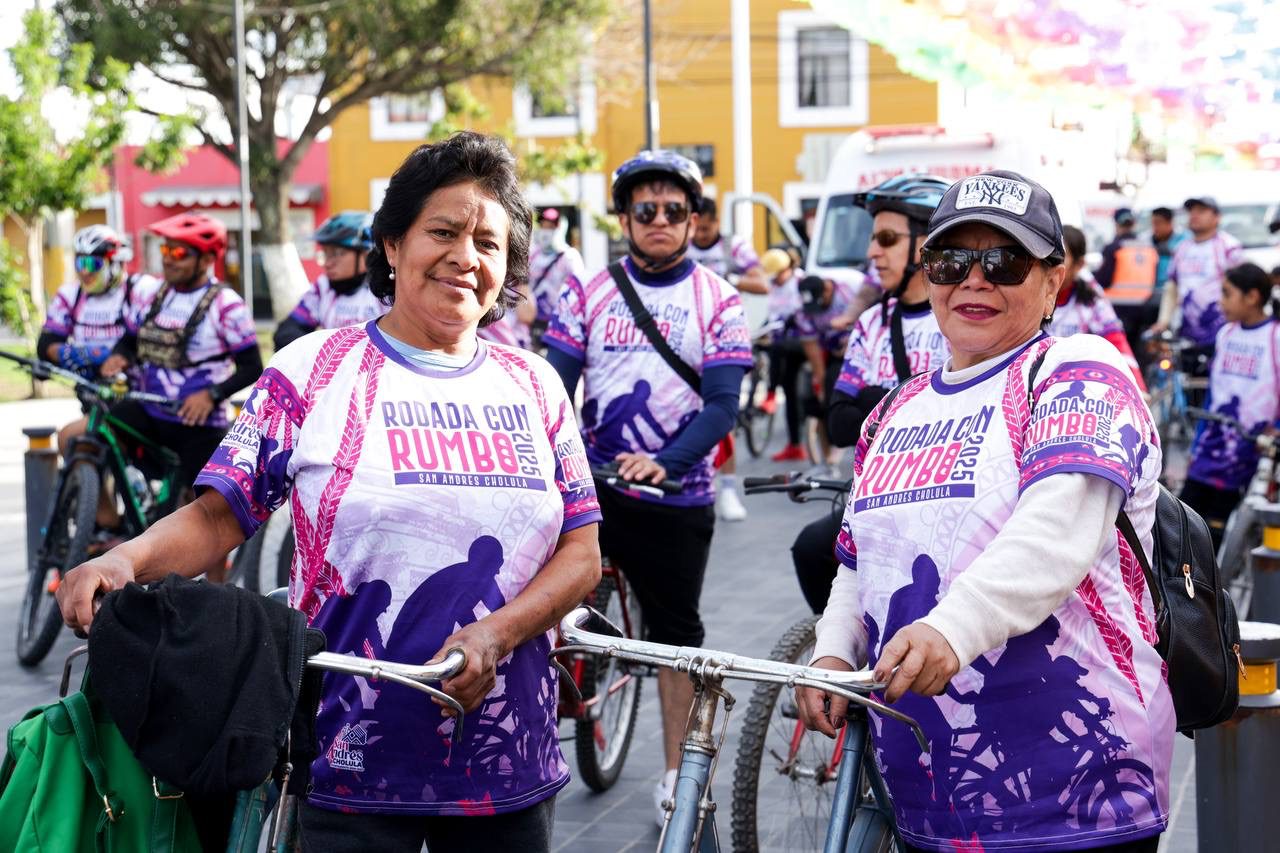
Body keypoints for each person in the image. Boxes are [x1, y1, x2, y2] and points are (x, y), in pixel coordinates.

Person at [59, 132, 602, 853]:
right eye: (442, 231)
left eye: (489, 244)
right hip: (347, 757)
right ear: (391, 243)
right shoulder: (315, 369)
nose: (465, 257)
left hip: (503, 767)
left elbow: (582, 552)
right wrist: (123, 559)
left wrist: (497, 634)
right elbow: (221, 513)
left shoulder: (535, 385)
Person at [797, 170, 1171, 852]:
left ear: (1054, 282)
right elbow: (860, 562)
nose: (973, 279)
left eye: (1003, 261)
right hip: (928, 795)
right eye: (950, 260)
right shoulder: (894, 410)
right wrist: (831, 650)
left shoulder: (1078, 370)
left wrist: (953, 627)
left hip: (1071, 799)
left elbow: (1056, 534)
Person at [544, 149, 751, 826]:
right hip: (596, 481)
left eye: (673, 210)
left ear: (694, 218)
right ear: (624, 218)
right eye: (645, 210)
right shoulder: (588, 291)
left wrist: (665, 459)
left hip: (676, 492)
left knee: (674, 636)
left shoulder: (717, 298)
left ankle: (676, 777)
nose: (659, 220)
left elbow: (722, 404)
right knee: (538, 603)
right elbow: (555, 384)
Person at [791, 175, 951, 613]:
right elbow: (839, 422)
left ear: (927, 243)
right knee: (809, 549)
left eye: (886, 238)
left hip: (941, 503)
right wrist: (911, 398)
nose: (871, 252)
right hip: (877, 495)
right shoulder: (872, 322)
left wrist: (874, 397)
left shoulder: (959, 319)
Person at [99, 213, 262, 501]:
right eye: (165, 250)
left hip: (198, 426)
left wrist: (211, 395)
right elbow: (131, 338)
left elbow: (252, 367)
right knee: (100, 430)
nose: (168, 259)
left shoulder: (227, 305)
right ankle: (120, 514)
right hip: (150, 413)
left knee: (205, 514)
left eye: (179, 253)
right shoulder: (153, 294)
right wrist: (120, 356)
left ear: (207, 259)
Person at [1181, 263, 1280, 550]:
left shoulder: (1274, 337)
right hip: (1209, 451)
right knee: (1183, 527)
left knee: (1218, 538)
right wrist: (1196, 445)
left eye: (1227, 294)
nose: (1220, 302)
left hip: (1247, 456)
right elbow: (1214, 393)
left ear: (1252, 297)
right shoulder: (1226, 334)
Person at [38, 225, 160, 456]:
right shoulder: (70, 295)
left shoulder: (141, 289)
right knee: (81, 450)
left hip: (139, 397)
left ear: (115, 263)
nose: (84, 272)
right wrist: (77, 355)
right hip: (92, 394)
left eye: (92, 264)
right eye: (79, 263)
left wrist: (115, 356)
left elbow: (150, 337)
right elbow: (47, 344)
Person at [688, 195, 767, 519]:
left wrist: (727, 281)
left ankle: (729, 490)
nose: (702, 235)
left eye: (707, 229)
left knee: (723, 412)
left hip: (723, 338)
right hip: (686, 339)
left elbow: (762, 282)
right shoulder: (684, 244)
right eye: (698, 228)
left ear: (716, 224)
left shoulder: (733, 247)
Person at [1049, 225, 1145, 390]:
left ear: (1080, 265)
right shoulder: (1031, 292)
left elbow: (1116, 340)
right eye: (1048, 256)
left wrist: (1137, 388)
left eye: (1060, 257)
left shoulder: (1091, 297)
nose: (1051, 265)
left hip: (1072, 385)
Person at [272, 211, 385, 351]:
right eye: (325, 254)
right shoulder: (323, 287)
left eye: (337, 254)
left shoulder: (386, 290)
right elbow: (287, 332)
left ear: (366, 254)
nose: (327, 263)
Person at [1151, 196, 1246, 360]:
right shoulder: (1181, 249)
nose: (1194, 215)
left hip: (1221, 329)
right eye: (1192, 211)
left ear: (1217, 217)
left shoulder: (1229, 247)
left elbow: (1242, 288)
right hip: (1185, 331)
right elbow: (1172, 287)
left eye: (1201, 211)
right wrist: (1163, 321)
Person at [757, 247, 807, 461]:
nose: (774, 281)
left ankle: (769, 394)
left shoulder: (800, 282)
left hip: (804, 340)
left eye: (777, 275)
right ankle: (794, 445)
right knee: (789, 390)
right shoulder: (774, 285)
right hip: (782, 342)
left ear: (787, 269)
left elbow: (800, 313)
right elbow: (771, 313)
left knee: (779, 350)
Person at [1095, 207, 1158, 354]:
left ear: (1116, 224)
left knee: (1117, 356)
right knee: (1137, 355)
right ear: (1134, 223)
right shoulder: (1149, 248)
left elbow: (1103, 280)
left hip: (1116, 310)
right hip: (1145, 310)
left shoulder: (1113, 248)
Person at [527, 207, 585, 343]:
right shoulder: (533, 254)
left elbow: (579, 291)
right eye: (544, 226)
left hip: (559, 325)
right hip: (533, 323)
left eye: (551, 227)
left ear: (560, 228)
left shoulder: (570, 256)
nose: (546, 231)